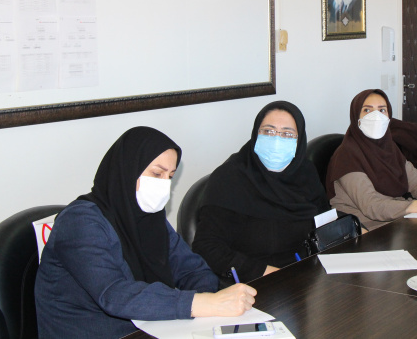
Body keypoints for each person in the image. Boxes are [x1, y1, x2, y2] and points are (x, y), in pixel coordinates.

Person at [35, 127, 256, 339]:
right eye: (157, 173)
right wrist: (200, 303)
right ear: (127, 170)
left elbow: (193, 269)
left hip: (151, 330)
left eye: (170, 176)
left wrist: (206, 300)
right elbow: (114, 295)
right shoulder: (80, 222)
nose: (164, 185)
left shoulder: (149, 217)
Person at [192, 101, 330, 283]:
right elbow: (207, 246)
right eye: (268, 131)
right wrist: (261, 272)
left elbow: (325, 220)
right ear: (256, 133)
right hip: (251, 282)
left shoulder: (306, 173)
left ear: (299, 140)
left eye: (287, 134)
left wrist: (353, 228)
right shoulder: (229, 178)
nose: (277, 140)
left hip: (305, 277)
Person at [326, 89, 417, 231]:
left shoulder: (390, 149)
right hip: (368, 230)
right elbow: (372, 206)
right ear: (356, 117)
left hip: (398, 223)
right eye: (367, 110)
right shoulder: (346, 155)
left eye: (382, 110)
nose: (376, 116)